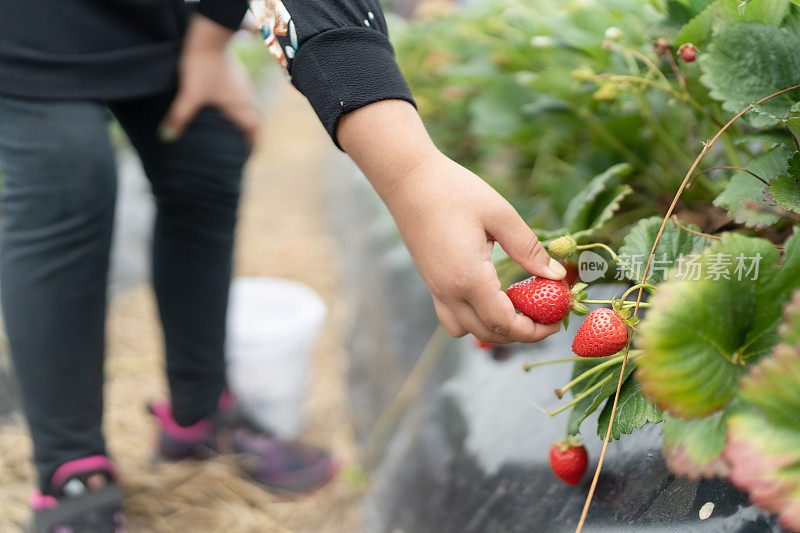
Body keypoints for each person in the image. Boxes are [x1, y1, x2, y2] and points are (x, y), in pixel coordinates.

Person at [0, 0, 566, 531]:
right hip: (33, 29)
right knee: (66, 183)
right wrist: (411, 172)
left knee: (205, 147)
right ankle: (71, 466)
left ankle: (196, 417)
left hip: (164, 21)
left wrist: (208, 43)